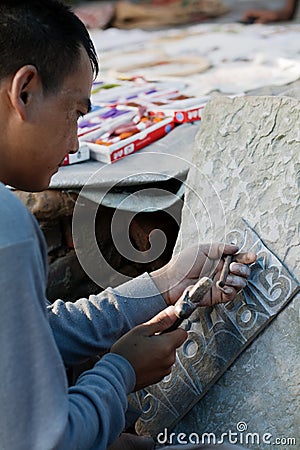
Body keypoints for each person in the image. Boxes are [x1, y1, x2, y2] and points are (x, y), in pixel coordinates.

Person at [0, 1, 256, 449]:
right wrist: (119, 373)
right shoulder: (10, 231)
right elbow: (44, 440)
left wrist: (165, 282)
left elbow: (29, 333)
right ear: (24, 92)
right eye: (77, 113)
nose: (78, 140)